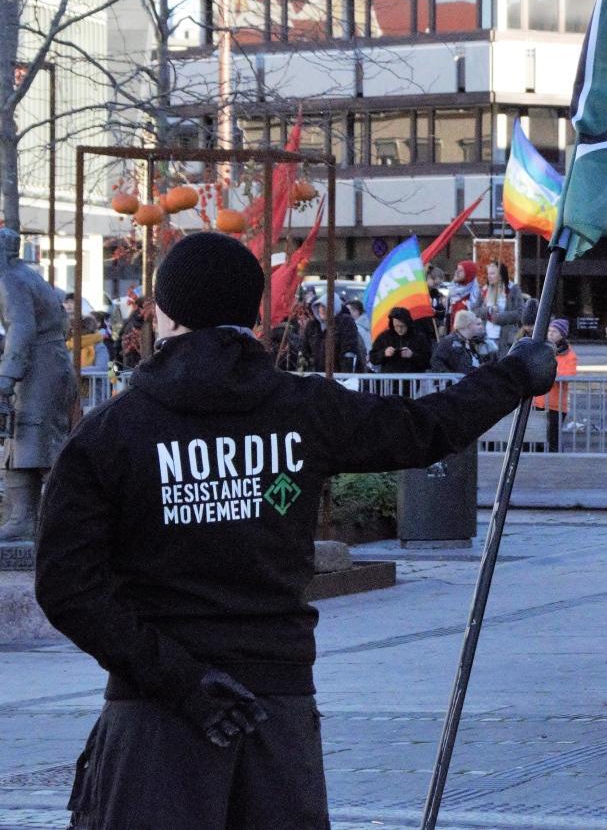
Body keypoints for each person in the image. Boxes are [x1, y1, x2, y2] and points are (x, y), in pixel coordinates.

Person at [33, 230, 555, 830]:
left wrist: (176, 679)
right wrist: (513, 375)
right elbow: (423, 427)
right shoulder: (300, 408)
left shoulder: (111, 433)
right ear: (256, 313)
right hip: (271, 707)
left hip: (156, 715)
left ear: (163, 312)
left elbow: (67, 586)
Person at [0, 227, 78, 542]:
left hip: (41, 366)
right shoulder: (27, 275)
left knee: (40, 440)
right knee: (22, 439)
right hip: (47, 362)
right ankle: (22, 519)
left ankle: (75, 514)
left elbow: (21, 326)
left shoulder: (11, 280)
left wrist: (7, 375)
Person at [537, 318, 581, 452]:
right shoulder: (541, 348)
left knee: (552, 439)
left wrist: (549, 372)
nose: (550, 334)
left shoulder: (569, 354)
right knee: (535, 439)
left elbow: (569, 375)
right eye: (549, 331)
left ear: (562, 334)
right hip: (538, 402)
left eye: (554, 332)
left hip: (556, 404)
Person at [481, 262, 527, 352]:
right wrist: (488, 310)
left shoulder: (513, 289)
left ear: (501, 275)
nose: (489, 276)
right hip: (486, 338)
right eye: (488, 274)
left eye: (492, 273)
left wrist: (500, 317)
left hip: (505, 340)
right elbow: (475, 311)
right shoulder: (484, 290)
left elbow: (520, 312)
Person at [369, 308, 430, 376]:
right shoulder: (384, 337)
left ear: (407, 323)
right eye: (396, 326)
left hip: (412, 381)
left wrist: (412, 355)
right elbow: (372, 358)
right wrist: (384, 353)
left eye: (402, 326)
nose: (399, 329)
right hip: (390, 381)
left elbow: (428, 361)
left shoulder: (419, 337)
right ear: (392, 324)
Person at [430, 310, 485, 375]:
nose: (481, 327)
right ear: (469, 325)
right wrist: (450, 378)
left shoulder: (471, 343)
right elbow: (435, 360)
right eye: (477, 324)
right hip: (458, 383)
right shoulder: (448, 341)